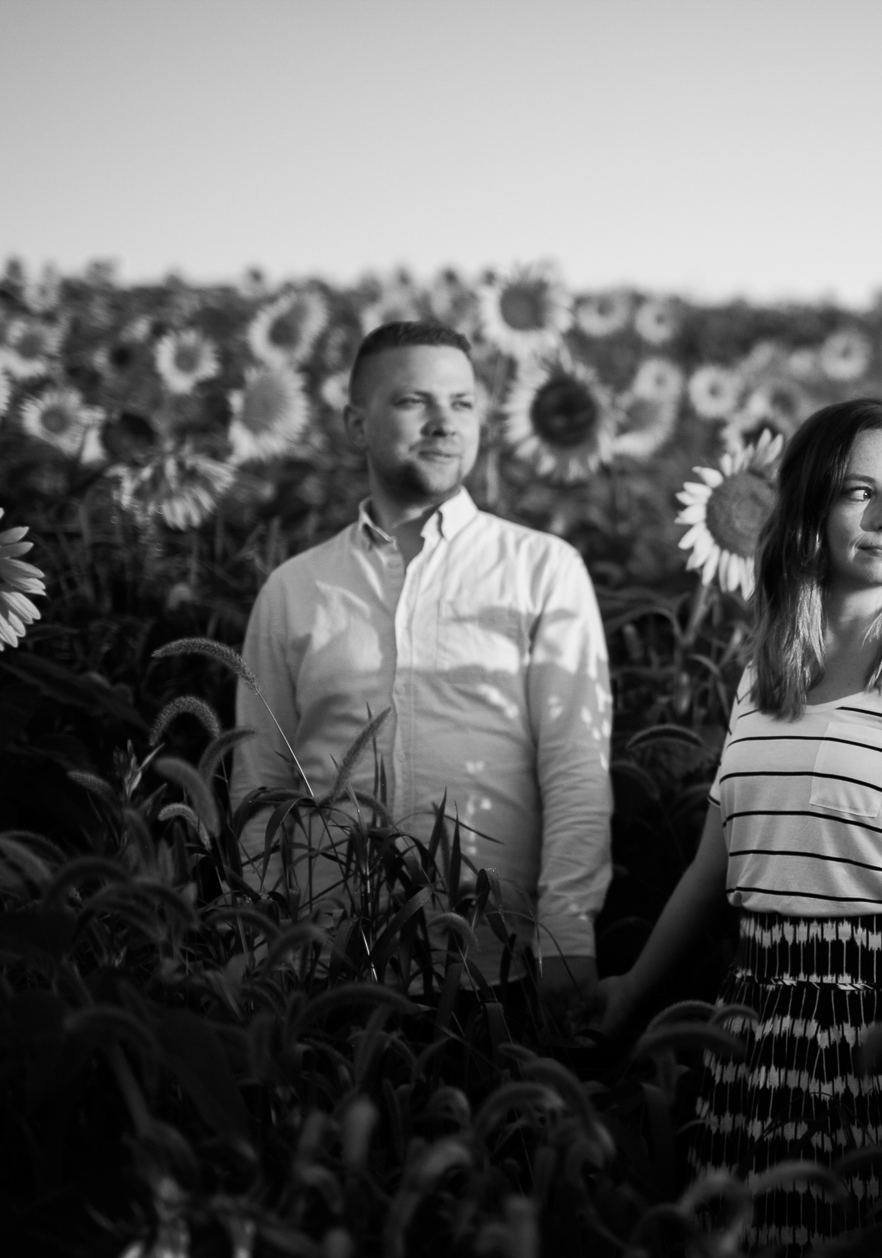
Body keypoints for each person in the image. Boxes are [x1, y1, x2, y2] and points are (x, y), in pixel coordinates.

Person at [597, 398, 882, 1250]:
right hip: (755, 1029)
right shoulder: (763, 681)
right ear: (807, 512)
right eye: (857, 492)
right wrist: (630, 996)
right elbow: (710, 873)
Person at [233, 320, 612, 1021]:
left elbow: (575, 765)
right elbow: (261, 784)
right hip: (329, 967)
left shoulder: (541, 570)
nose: (444, 422)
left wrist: (568, 929)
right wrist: (265, 943)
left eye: (462, 403)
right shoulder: (294, 589)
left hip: (497, 967)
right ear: (355, 423)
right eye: (414, 401)